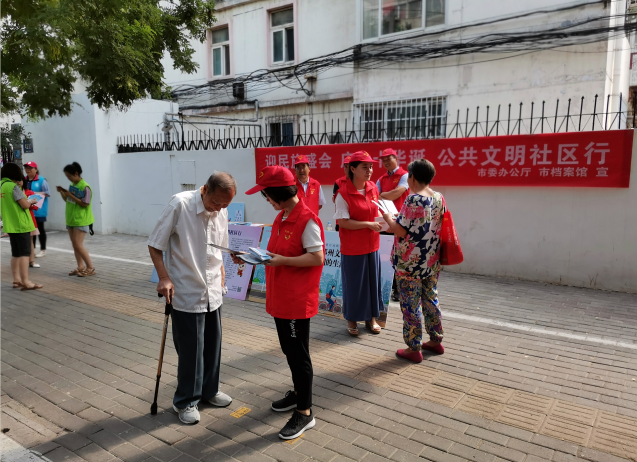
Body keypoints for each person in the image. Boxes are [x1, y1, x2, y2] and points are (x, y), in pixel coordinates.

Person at [148, 172, 236, 425]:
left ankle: (209, 391)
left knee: (212, 346)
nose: (219, 208)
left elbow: (219, 248)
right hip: (186, 290)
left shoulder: (221, 210)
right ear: (205, 189)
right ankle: (185, 400)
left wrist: (222, 273)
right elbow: (155, 244)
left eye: (224, 205)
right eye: (216, 202)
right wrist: (163, 277)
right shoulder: (180, 204)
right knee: (191, 351)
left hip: (214, 290)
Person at [244, 165, 324, 440]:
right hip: (281, 295)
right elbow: (275, 253)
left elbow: (317, 257)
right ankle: (299, 393)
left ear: (277, 193)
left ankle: (305, 412)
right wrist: (251, 256)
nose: (266, 200)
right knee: (290, 351)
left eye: (266, 194)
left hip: (295, 300)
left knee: (299, 355)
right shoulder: (282, 216)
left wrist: (282, 261)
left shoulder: (307, 220)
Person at [382, 159, 446, 363]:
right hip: (431, 260)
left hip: (410, 263)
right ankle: (436, 340)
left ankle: (413, 347)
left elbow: (400, 230)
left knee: (410, 305)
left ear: (413, 177)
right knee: (430, 299)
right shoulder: (438, 197)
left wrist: (388, 218)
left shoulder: (413, 199)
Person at [334, 151, 384, 336]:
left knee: (372, 284)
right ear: (353, 169)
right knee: (355, 285)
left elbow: (376, 211)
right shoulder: (343, 193)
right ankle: (352, 320)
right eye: (365, 167)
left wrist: (387, 218)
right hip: (353, 248)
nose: (369, 170)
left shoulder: (373, 188)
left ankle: (372, 319)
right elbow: (343, 222)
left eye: (371, 167)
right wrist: (368, 224)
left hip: (372, 245)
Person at [1, 163, 42, 290]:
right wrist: (30, 201)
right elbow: (24, 205)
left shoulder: (2, 185)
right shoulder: (13, 187)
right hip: (21, 224)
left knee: (16, 253)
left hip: (10, 225)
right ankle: (26, 281)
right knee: (24, 253)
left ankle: (16, 280)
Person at [377, 148, 410, 302]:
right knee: (385, 256)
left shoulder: (404, 175)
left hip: (400, 221)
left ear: (396, 158)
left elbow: (398, 193)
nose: (385, 162)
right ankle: (385, 287)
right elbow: (374, 196)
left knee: (399, 257)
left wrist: (382, 195)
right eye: (383, 160)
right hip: (384, 220)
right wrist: (385, 194)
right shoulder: (381, 178)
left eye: (388, 159)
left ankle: (398, 290)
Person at [56, 162, 96, 277]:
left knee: (78, 245)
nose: (68, 178)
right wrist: (62, 192)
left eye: (69, 176)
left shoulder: (85, 187)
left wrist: (71, 195)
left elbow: (85, 204)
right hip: (71, 219)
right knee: (75, 245)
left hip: (81, 219)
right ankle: (80, 267)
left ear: (76, 173)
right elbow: (68, 200)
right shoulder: (73, 185)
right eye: (67, 176)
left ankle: (90, 268)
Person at [24, 161, 49, 257]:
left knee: (40, 229)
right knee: (31, 231)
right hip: (28, 209)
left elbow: (47, 193)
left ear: (36, 169)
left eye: (30, 168)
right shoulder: (23, 180)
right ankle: (32, 250)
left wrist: (33, 193)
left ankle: (43, 250)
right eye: (26, 168)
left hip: (39, 210)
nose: (28, 170)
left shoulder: (42, 180)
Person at [332, 156, 351, 232]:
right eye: (345, 166)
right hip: (340, 221)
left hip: (355, 220)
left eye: (349, 166)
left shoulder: (359, 182)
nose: (347, 169)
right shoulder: (338, 182)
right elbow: (334, 199)